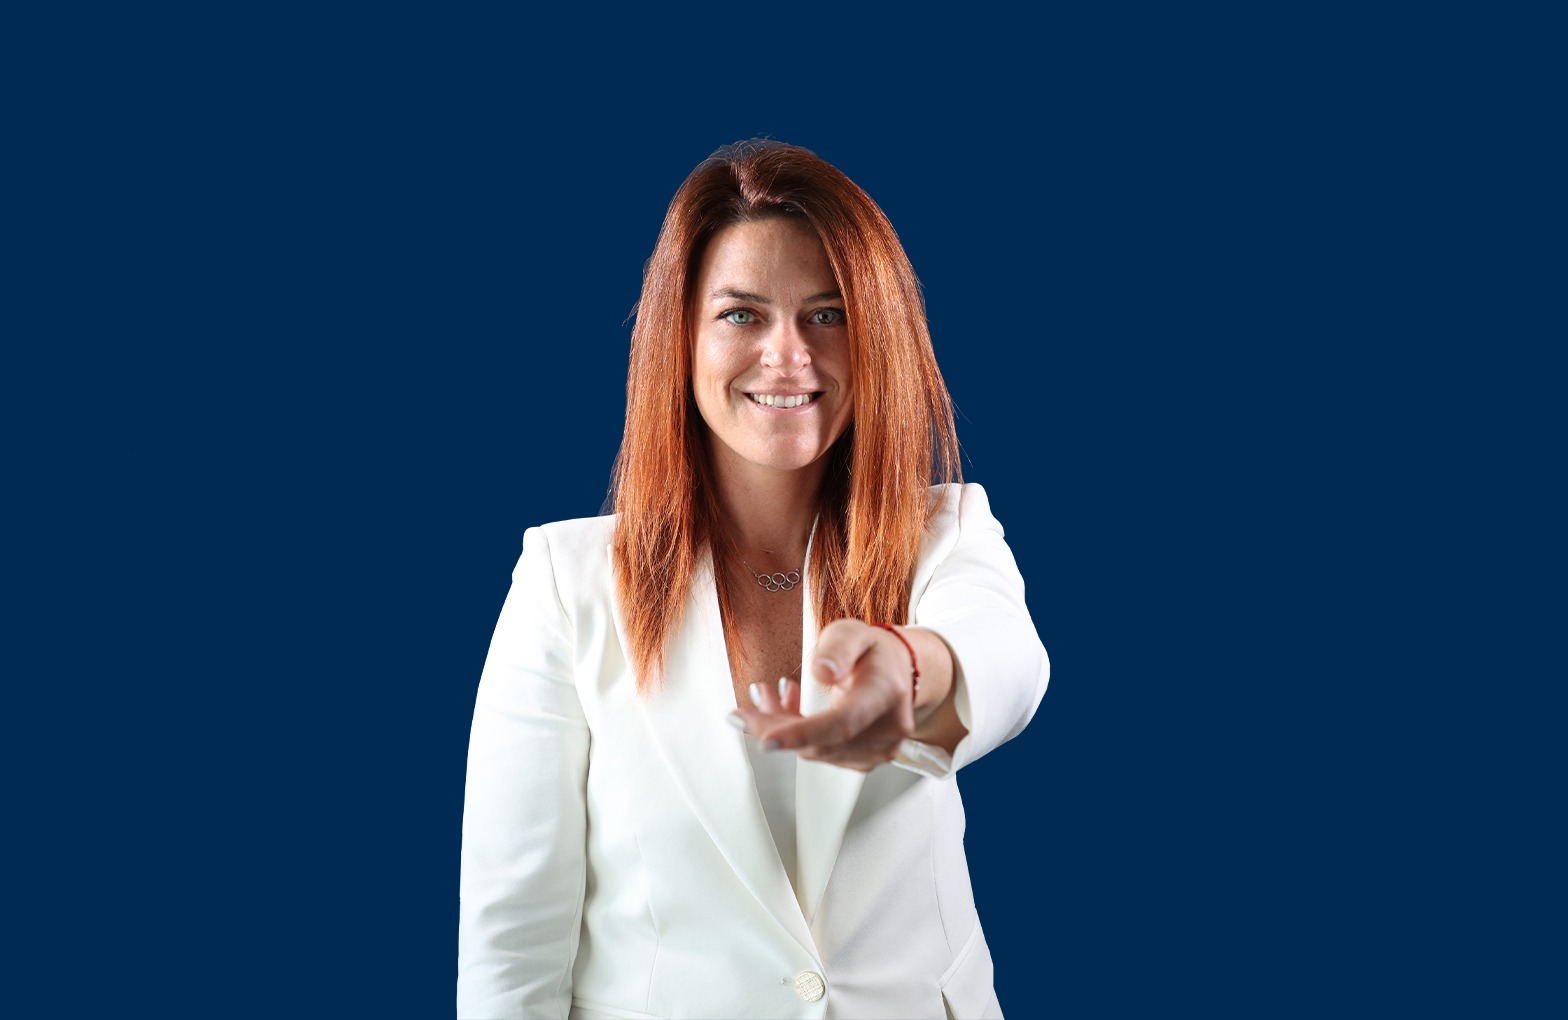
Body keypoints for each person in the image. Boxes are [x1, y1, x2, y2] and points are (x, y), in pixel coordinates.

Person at [457, 139, 1050, 1020]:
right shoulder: (565, 584)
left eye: (828, 313)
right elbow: (511, 947)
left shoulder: (944, 532)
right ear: (681, 338)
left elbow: (1005, 661)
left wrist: (906, 671)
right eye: (741, 314)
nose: (788, 355)